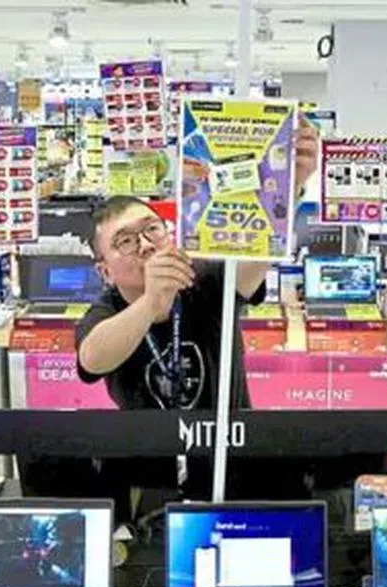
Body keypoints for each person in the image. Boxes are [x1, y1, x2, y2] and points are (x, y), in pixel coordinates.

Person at [76, 121, 319, 411]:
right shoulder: (106, 311)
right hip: (150, 452)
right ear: (105, 271)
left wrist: (290, 188)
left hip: (226, 450)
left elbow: (255, 261)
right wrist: (152, 302)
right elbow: (92, 360)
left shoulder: (202, 278)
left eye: (152, 229)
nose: (145, 245)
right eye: (125, 241)